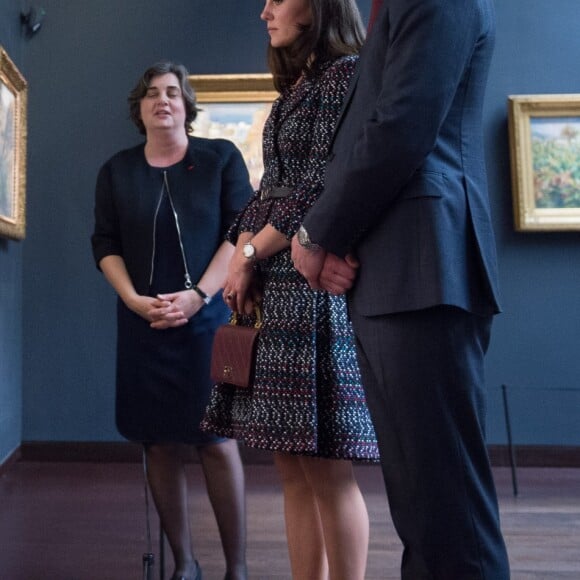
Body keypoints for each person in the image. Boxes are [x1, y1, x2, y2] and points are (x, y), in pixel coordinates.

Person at [291, 0, 511, 578]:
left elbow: (402, 125)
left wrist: (318, 233)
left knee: (448, 510)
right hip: (399, 272)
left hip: (424, 270)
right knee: (422, 506)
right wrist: (334, 237)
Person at [201, 1, 379, 579]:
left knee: (327, 467)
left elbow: (321, 183)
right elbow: (266, 190)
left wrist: (250, 253)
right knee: (291, 463)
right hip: (274, 291)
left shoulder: (346, 75)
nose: (264, 11)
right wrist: (240, 254)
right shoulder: (293, 92)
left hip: (308, 289)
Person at [91, 61, 253, 580]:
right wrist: (136, 299)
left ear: (186, 106)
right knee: (158, 441)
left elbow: (241, 233)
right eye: (152, 93)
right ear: (139, 109)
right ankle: (184, 564)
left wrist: (199, 296)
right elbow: (105, 244)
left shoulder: (220, 159)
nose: (163, 100)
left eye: (173, 93)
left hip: (213, 321)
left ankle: (238, 568)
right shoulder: (116, 170)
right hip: (144, 324)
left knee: (218, 441)